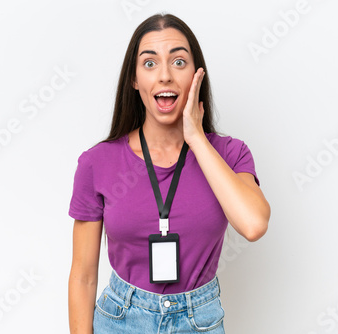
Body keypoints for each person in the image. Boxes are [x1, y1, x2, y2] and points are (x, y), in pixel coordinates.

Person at [68, 13, 270, 333]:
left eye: (178, 62)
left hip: (198, 320)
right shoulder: (97, 163)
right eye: (149, 63)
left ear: (196, 75)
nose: (164, 76)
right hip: (120, 320)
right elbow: (83, 274)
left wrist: (197, 139)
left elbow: (254, 224)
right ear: (134, 80)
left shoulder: (230, 154)